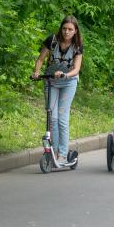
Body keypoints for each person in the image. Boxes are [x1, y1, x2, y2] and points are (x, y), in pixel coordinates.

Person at [32, 15, 83, 163]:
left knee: (62, 118)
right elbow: (40, 59)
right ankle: (52, 152)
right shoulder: (52, 41)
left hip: (68, 82)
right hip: (51, 82)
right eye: (64, 28)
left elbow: (77, 69)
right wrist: (36, 72)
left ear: (75, 31)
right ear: (61, 29)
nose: (67, 32)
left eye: (70, 29)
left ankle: (62, 153)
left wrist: (65, 75)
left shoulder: (77, 46)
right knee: (52, 118)